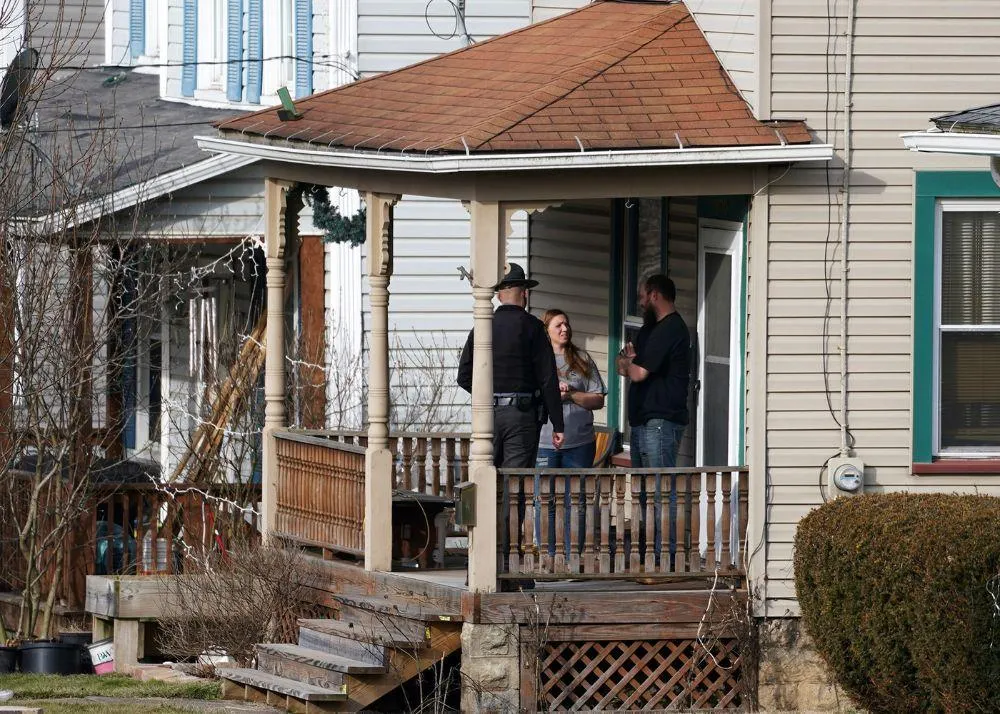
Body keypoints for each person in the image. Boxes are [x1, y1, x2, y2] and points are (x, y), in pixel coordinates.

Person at [457, 263, 564, 467]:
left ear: (499, 295)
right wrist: (558, 424)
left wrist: (486, 396)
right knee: (515, 480)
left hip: (486, 415)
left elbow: (463, 376)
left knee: (485, 473)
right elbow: (547, 379)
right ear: (524, 293)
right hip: (521, 416)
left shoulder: (482, 326)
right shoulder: (533, 327)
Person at [616, 273, 690, 566]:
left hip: (661, 422)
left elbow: (636, 372)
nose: (639, 301)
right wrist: (628, 363)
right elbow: (622, 364)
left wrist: (629, 363)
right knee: (643, 491)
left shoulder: (671, 329)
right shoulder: (649, 330)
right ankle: (649, 552)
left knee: (660, 489)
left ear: (655, 295)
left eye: (642, 296)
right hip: (641, 422)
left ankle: (666, 556)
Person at [535, 309, 605, 556]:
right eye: (558, 325)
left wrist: (571, 395)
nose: (565, 329)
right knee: (546, 500)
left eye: (566, 324)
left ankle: (572, 555)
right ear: (547, 330)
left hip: (579, 443)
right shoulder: (537, 359)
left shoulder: (582, 359)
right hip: (545, 442)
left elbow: (598, 399)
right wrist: (552, 392)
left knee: (576, 500)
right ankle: (548, 555)